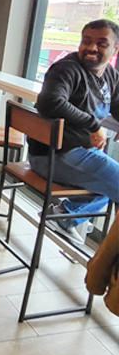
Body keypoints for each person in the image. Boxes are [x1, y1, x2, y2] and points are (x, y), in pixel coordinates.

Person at [28, 19, 119, 245]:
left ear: (115, 49)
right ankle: (110, 261)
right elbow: (49, 102)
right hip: (52, 155)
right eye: (86, 41)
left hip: (81, 154)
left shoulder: (110, 75)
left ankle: (63, 216)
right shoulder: (66, 69)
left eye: (101, 43)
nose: (92, 48)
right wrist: (93, 124)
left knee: (110, 184)